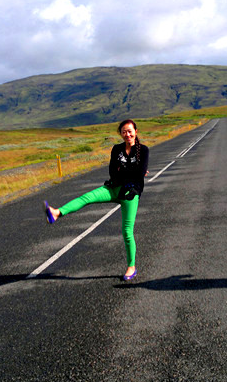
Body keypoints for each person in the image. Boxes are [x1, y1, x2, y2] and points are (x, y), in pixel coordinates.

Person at [44, 119, 149, 281]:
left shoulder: (144, 150)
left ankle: (131, 266)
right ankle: (57, 212)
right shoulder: (116, 149)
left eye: (130, 131)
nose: (127, 134)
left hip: (130, 193)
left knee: (127, 232)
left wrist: (127, 171)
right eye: (124, 132)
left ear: (136, 131)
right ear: (120, 134)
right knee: (87, 198)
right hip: (112, 188)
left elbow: (139, 173)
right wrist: (131, 171)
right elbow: (113, 172)